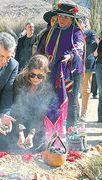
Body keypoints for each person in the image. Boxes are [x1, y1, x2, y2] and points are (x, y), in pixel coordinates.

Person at [37, 3, 85, 136]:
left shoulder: (76, 32)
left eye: (65, 17)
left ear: (71, 19)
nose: (61, 20)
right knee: (51, 100)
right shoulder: (53, 30)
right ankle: (50, 132)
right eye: (60, 16)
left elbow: (78, 48)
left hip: (71, 72)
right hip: (53, 72)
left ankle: (71, 134)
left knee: (71, 103)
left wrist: (71, 55)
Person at [10, 55, 53, 152]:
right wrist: (20, 133)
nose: (35, 79)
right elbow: (17, 107)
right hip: (18, 120)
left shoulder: (46, 88)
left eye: (40, 76)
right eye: (32, 75)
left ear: (45, 74)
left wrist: (31, 134)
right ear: (28, 71)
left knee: (39, 147)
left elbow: (40, 113)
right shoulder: (20, 81)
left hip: (36, 124)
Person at [78, 17, 97, 122]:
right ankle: (76, 111)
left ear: (84, 24)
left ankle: (83, 113)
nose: (78, 24)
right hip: (74, 65)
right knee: (74, 90)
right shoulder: (72, 33)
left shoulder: (90, 33)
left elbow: (91, 47)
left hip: (86, 64)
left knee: (85, 90)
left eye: (80, 22)